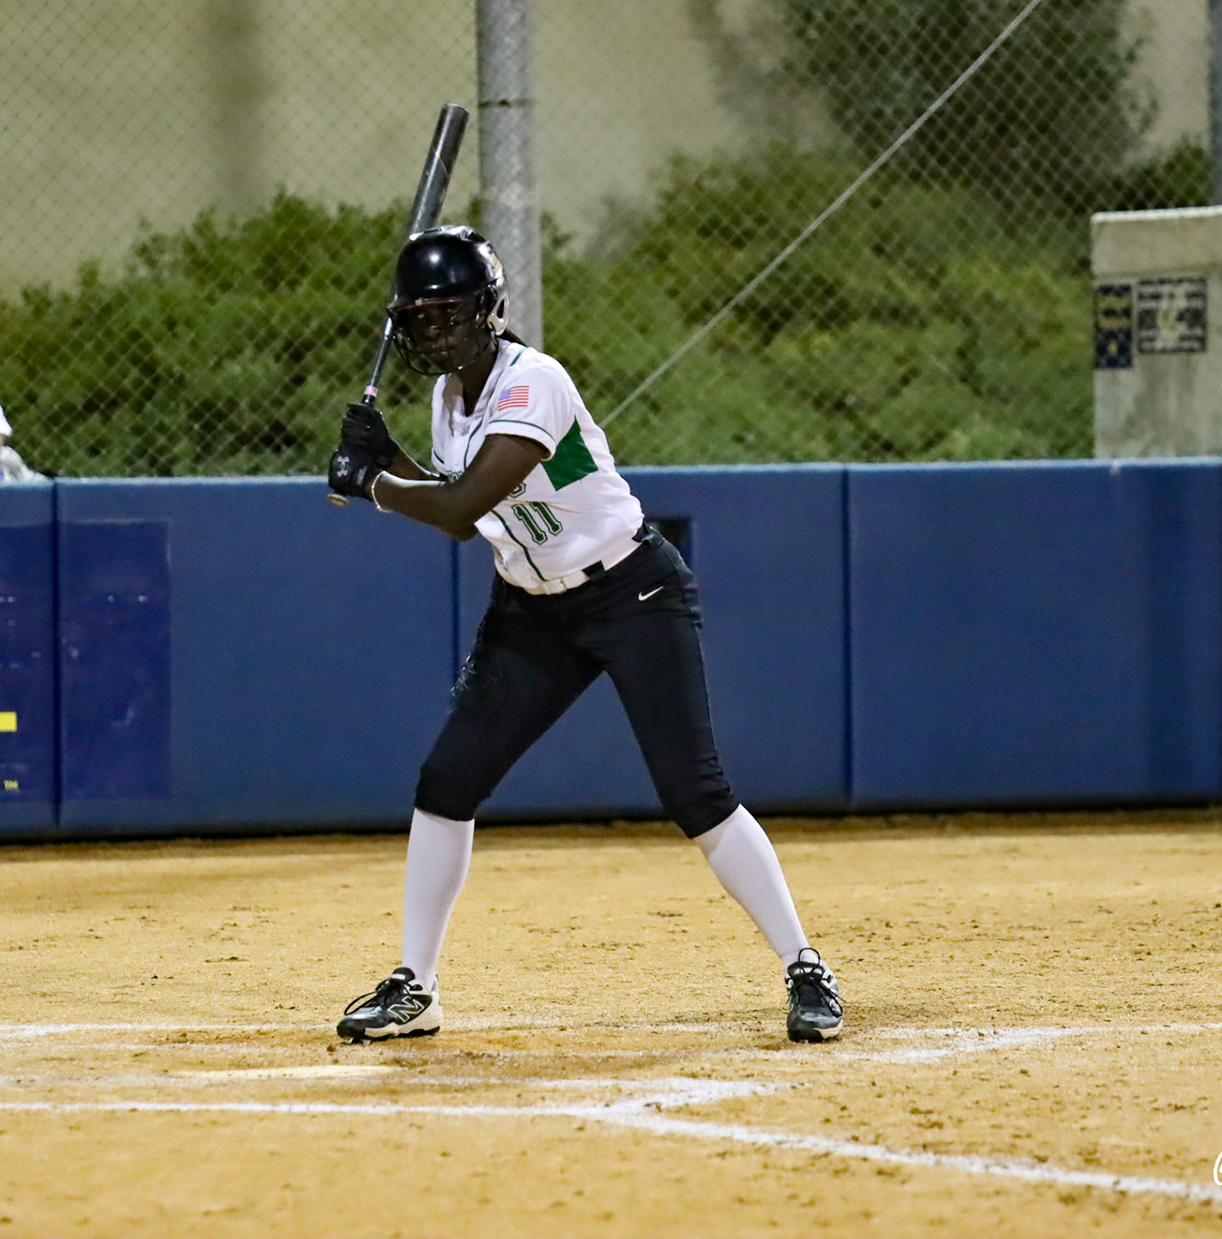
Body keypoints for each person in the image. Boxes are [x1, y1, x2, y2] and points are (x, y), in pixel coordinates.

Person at [325, 226, 841, 1044]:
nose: (437, 331)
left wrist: (374, 485)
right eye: (421, 317)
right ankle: (415, 984)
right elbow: (464, 494)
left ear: (490, 310)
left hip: (631, 590)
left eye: (451, 313)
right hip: (532, 607)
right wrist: (386, 458)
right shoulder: (448, 400)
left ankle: (805, 965)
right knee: (447, 780)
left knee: (696, 793)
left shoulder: (535, 382)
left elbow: (459, 512)